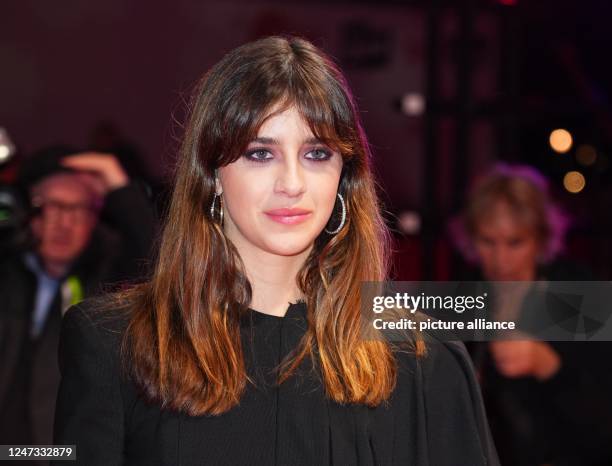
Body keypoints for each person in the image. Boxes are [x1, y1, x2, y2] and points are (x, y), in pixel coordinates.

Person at [54, 36, 499, 466]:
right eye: (259, 154)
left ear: (344, 176)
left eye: (317, 154)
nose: (291, 183)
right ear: (211, 174)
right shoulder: (115, 345)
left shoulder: (423, 358)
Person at [0, 147, 157, 463]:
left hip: (59, 454)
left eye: (78, 210)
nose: (64, 223)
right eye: (52, 207)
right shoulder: (6, 271)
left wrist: (116, 182)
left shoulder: (108, 283)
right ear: (27, 214)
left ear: (95, 219)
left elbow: (162, 260)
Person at [452, 163, 612, 466]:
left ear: (541, 238)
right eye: (488, 241)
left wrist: (548, 366)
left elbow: (602, 424)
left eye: (515, 242)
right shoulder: (468, 294)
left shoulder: (578, 291)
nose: (500, 259)